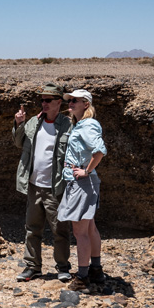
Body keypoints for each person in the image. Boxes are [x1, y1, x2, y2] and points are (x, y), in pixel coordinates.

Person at [13, 83, 73, 282]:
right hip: (34, 185)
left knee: (60, 230)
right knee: (32, 229)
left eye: (48, 100)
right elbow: (19, 143)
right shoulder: (33, 122)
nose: (43, 103)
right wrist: (19, 124)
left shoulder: (67, 125)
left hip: (55, 187)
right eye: (42, 100)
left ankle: (63, 267)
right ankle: (33, 267)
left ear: (58, 102)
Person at [57, 89, 107, 292]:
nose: (70, 103)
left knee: (80, 232)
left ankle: (82, 277)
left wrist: (86, 171)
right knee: (90, 228)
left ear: (86, 104)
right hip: (84, 182)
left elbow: (99, 151)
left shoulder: (88, 125)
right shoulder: (80, 125)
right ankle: (96, 270)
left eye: (75, 100)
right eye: (69, 100)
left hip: (81, 183)